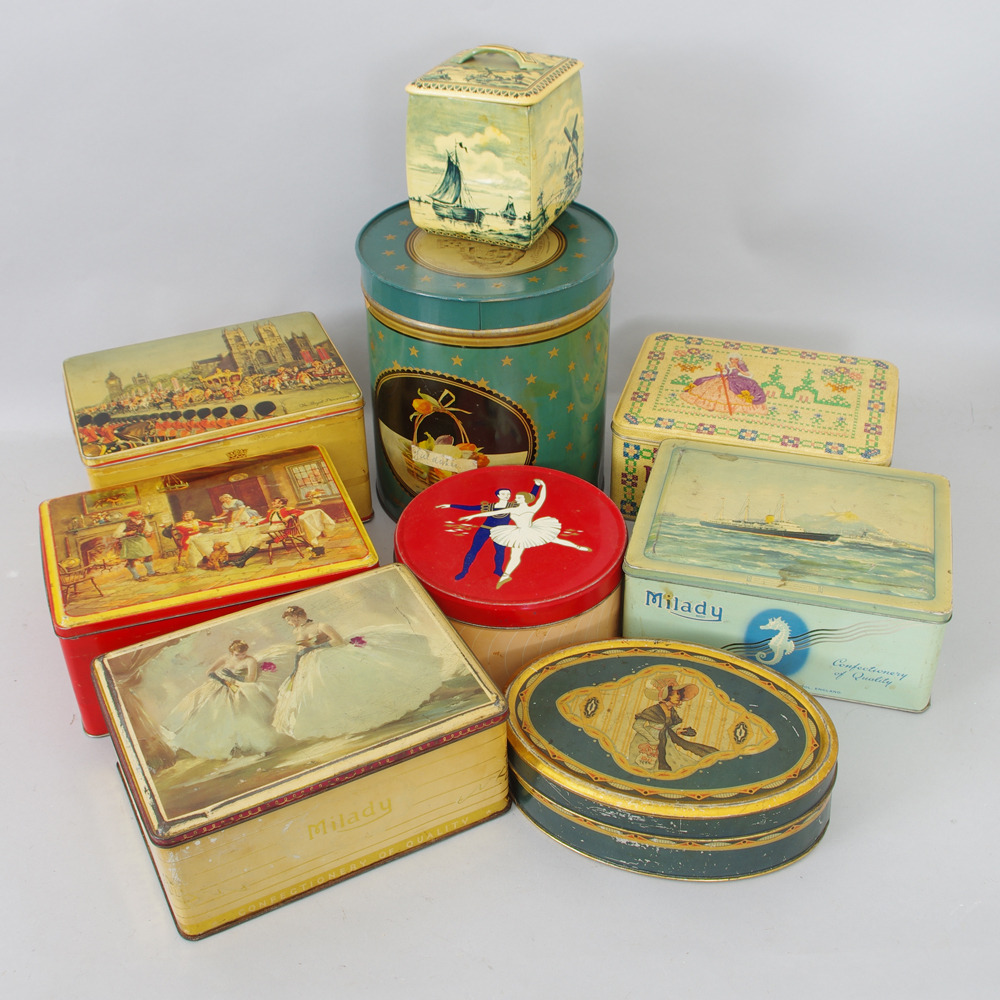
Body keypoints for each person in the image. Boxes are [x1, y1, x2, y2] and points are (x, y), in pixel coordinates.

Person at [271, 605, 443, 741]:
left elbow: (339, 642)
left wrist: (313, 647)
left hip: (331, 656)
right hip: (311, 662)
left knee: (354, 685)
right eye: (288, 622)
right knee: (326, 693)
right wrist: (298, 663)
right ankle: (355, 724)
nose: (290, 624)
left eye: (290, 620)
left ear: (297, 616)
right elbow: (301, 648)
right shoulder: (296, 631)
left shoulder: (321, 626)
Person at [457, 478, 591, 588]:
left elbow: (541, 498)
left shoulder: (533, 508)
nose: (515, 498)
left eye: (519, 497)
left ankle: (578, 547)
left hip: (533, 530)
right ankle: (505, 576)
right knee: (515, 555)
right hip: (518, 533)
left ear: (525, 499)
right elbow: (492, 512)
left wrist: (543, 485)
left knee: (555, 539)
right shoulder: (512, 509)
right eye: (516, 497)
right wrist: (473, 516)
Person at [160, 639, 278, 760]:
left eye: (243, 654)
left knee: (238, 713)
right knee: (208, 711)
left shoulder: (250, 660)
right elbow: (209, 672)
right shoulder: (225, 658)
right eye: (237, 655)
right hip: (218, 685)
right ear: (232, 652)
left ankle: (243, 745)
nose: (241, 657)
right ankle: (217, 745)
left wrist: (234, 676)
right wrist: (220, 680)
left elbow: (251, 679)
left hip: (236, 686)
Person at [437, 482, 539, 582]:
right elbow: (470, 508)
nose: (506, 495)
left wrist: (537, 485)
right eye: (503, 494)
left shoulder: (513, 505)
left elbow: (529, 497)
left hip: (500, 532)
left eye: (508, 494)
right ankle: (464, 571)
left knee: (500, 551)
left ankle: (498, 570)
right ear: (498, 495)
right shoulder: (489, 506)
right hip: (485, 529)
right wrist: (450, 505)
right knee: (474, 550)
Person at [631, 680, 718, 772]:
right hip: (647, 740)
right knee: (651, 766)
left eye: (679, 694)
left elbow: (667, 728)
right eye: (675, 694)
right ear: (666, 695)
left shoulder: (671, 711)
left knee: (675, 763)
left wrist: (678, 731)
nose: (678, 696)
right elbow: (637, 726)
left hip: (665, 740)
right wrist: (652, 740)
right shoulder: (653, 710)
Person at [683, 356, 767, 416]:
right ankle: (711, 405)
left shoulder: (741, 365)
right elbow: (725, 372)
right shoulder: (727, 364)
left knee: (733, 392)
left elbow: (748, 374)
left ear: (739, 359)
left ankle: (731, 408)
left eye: (736, 359)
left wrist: (738, 368)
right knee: (714, 389)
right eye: (732, 359)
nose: (734, 360)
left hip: (736, 380)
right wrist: (720, 369)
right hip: (725, 378)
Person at [117, 509, 156, 581]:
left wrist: (148, 532)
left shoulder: (144, 521)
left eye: (140, 515)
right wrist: (127, 533)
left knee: (148, 555)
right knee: (131, 559)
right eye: (137, 516)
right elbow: (116, 534)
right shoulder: (125, 524)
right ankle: (136, 576)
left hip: (140, 539)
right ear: (132, 517)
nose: (140, 517)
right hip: (129, 541)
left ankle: (151, 572)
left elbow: (148, 529)